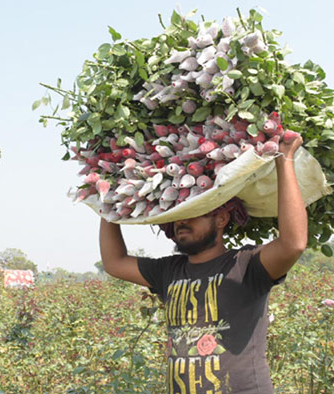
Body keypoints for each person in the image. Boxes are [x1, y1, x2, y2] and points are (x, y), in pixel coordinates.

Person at [99, 135, 307, 393]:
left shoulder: (246, 265)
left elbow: (293, 243)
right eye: (178, 215)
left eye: (193, 213)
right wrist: (109, 200)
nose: (181, 222)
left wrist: (284, 159)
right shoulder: (169, 271)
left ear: (221, 219)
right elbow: (114, 262)